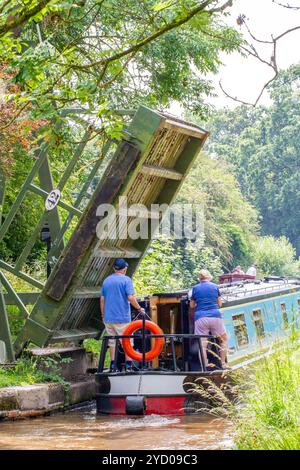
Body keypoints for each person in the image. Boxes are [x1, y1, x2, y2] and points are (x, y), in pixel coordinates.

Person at [100, 258, 144, 371]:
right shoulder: (126, 280)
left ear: (114, 268)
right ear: (124, 269)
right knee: (127, 341)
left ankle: (113, 365)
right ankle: (128, 366)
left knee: (112, 342)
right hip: (122, 317)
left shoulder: (106, 281)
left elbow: (102, 300)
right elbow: (130, 297)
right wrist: (139, 308)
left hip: (108, 318)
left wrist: (103, 315)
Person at [189, 269, 229, 370]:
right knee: (223, 339)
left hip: (201, 318)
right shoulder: (215, 287)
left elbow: (192, 305)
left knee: (202, 344)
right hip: (215, 316)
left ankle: (204, 366)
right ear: (209, 277)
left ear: (200, 279)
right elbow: (219, 304)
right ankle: (223, 363)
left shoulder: (195, 288)